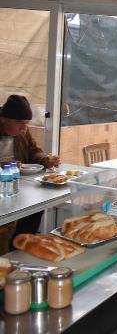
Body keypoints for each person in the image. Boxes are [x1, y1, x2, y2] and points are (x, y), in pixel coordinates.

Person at [0, 95, 60, 252]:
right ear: (4, 119)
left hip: (18, 186)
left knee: (35, 208)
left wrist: (44, 160)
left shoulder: (22, 132)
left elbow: (33, 151)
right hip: (3, 191)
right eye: (19, 123)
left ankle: (20, 247)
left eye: (26, 123)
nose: (24, 128)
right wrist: (5, 166)